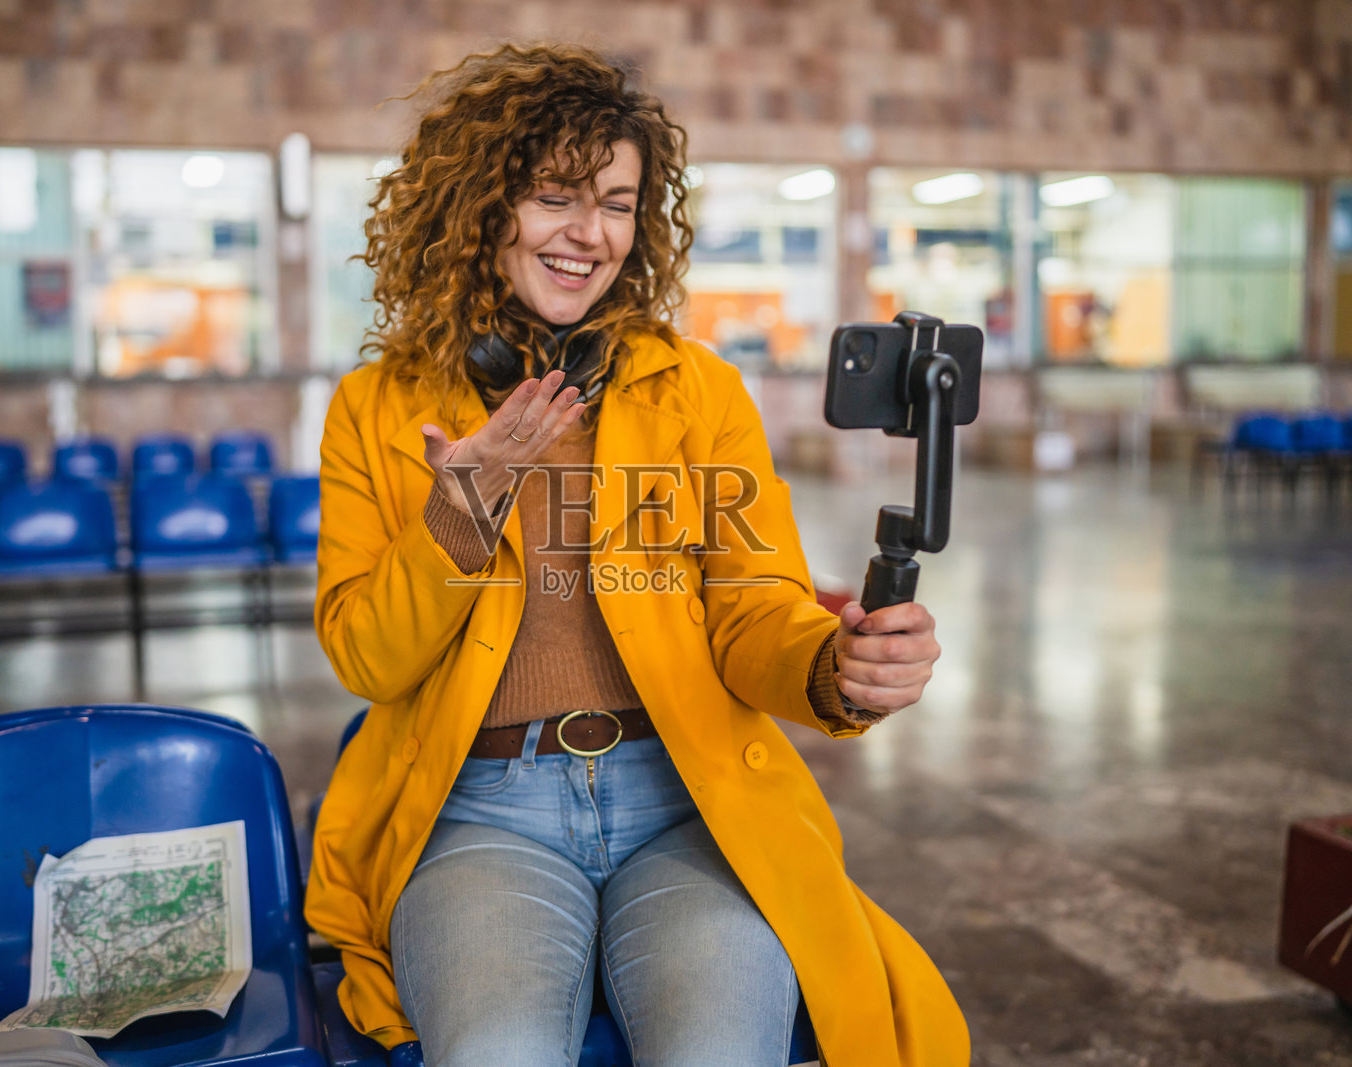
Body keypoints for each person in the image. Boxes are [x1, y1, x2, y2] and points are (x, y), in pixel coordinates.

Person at [305, 43, 969, 1067]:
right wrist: (466, 510)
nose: (590, 233)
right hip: (483, 813)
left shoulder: (694, 392)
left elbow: (754, 606)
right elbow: (366, 657)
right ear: (479, 207)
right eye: (555, 196)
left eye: (617, 202)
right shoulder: (377, 406)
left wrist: (829, 664)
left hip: (684, 799)